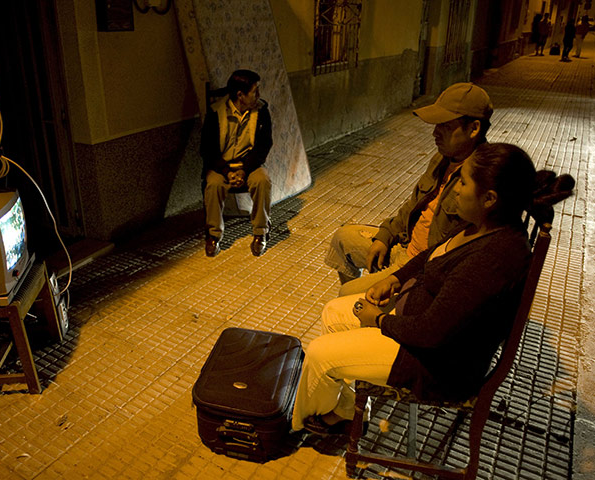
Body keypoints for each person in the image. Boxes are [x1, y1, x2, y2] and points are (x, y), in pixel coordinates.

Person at [291, 143, 574, 434]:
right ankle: (346, 410)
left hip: (436, 363)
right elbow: (435, 253)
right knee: (333, 312)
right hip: (416, 324)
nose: (456, 190)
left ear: (489, 198)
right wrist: (396, 278)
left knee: (319, 355)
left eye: (463, 182)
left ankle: (298, 424)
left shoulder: (495, 257)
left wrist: (378, 320)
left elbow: (431, 332)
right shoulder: (484, 223)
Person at [325, 83, 492, 296]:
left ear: (474, 129)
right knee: (342, 238)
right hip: (403, 247)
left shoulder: (481, 180)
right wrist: (385, 235)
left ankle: (365, 308)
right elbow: (411, 206)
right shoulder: (443, 159)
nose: (435, 133)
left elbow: (460, 255)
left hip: (419, 270)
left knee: (347, 293)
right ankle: (360, 307)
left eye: (445, 126)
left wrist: (401, 277)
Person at [200, 69, 273, 257]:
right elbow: (207, 149)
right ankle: (213, 235)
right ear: (240, 95)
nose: (258, 95)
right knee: (213, 183)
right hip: (221, 165)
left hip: (248, 165)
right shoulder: (216, 112)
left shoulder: (261, 112)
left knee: (262, 180)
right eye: (254, 91)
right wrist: (227, 171)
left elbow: (264, 145)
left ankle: (260, 232)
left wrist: (244, 170)